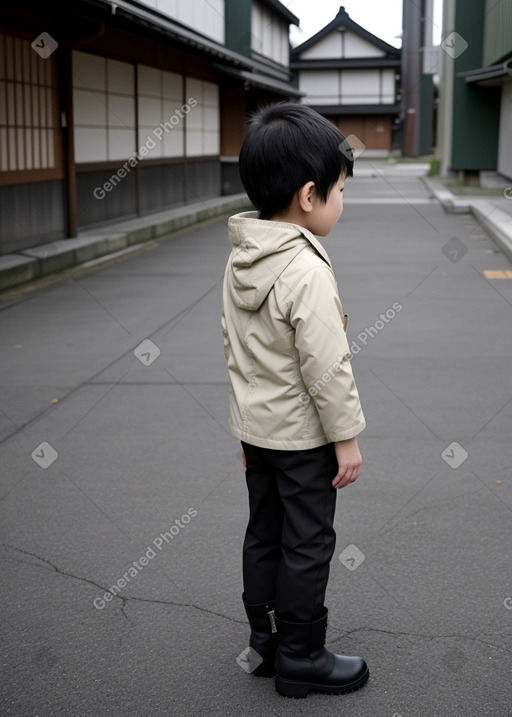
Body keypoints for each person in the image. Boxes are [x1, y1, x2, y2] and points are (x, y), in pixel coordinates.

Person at [221, 102, 369, 699]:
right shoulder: (304, 269)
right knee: (308, 542)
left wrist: (245, 433)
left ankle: (265, 643)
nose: (342, 201)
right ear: (309, 195)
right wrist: (347, 437)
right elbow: (327, 367)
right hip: (304, 439)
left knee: (264, 532)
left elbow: (239, 350)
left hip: (259, 433)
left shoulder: (241, 256)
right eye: (339, 189)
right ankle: (302, 657)